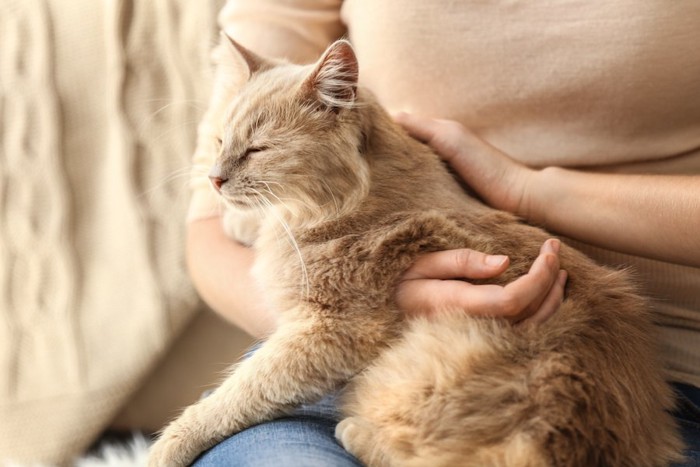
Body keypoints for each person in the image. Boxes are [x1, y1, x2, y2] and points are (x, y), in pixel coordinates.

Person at [185, 1, 700, 465]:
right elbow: (210, 226)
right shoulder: (262, 133)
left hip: (639, 388)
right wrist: (341, 322)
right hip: (322, 375)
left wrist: (531, 191)